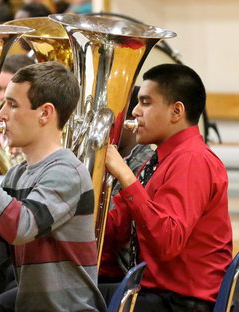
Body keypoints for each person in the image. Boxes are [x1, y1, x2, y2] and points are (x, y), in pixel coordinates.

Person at [0, 61, 106, 311]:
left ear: (45, 113)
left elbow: (21, 228)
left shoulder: (66, 171)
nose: (1, 114)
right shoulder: (17, 175)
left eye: (12, 105)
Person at [101, 63, 232, 311]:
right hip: (155, 293)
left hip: (181, 302)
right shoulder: (159, 159)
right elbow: (115, 229)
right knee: (58, 293)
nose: (135, 111)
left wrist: (125, 177)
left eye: (145, 103)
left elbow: (167, 242)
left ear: (176, 111)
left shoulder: (192, 160)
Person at [98, 86, 155, 283]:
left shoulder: (145, 164)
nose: (100, 128)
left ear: (129, 122)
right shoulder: (100, 160)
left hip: (115, 274)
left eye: (108, 120)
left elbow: (112, 232)